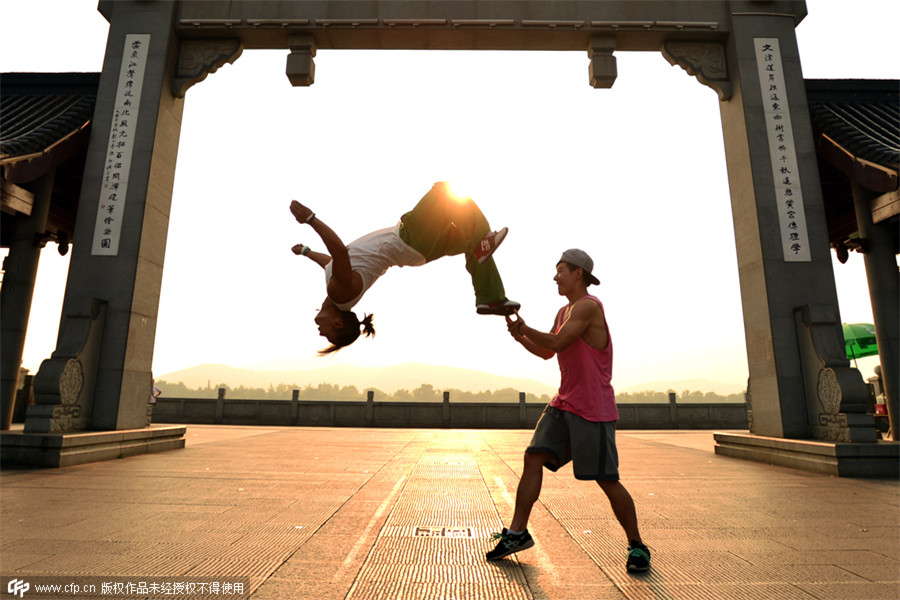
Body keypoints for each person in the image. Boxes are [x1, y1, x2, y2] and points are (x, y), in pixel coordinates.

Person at [486, 248, 650, 573]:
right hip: (565, 403)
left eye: (561, 270)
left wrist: (525, 327)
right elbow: (549, 351)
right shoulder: (564, 311)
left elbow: (559, 342)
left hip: (593, 409)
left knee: (606, 479)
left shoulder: (589, 306)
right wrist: (521, 337)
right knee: (533, 457)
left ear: (579, 274)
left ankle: (637, 545)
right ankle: (517, 533)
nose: (555, 276)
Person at [290, 181, 520, 354]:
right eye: (327, 334)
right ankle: (483, 239)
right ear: (338, 323)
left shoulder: (338, 290)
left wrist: (306, 252)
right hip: (408, 239)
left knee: (474, 247)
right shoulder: (339, 293)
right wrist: (311, 219)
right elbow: (339, 253)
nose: (320, 332)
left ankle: (490, 298)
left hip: (419, 253)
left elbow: (328, 263)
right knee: (443, 192)